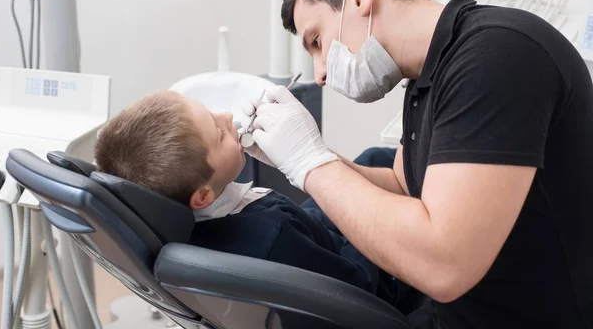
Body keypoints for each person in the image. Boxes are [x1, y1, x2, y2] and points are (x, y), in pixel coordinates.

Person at [241, 0, 593, 329]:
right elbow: (402, 183)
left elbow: (444, 264)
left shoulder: (496, 55)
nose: (321, 73)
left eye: (318, 42)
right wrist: (297, 155)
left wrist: (310, 163)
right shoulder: (427, 79)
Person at [93, 90, 401, 305]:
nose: (227, 115)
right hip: (382, 284)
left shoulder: (199, 223)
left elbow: (306, 226)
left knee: (373, 158)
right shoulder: (274, 232)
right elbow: (361, 284)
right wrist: (364, 208)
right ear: (202, 195)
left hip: (318, 248)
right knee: (383, 171)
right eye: (219, 133)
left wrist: (313, 167)